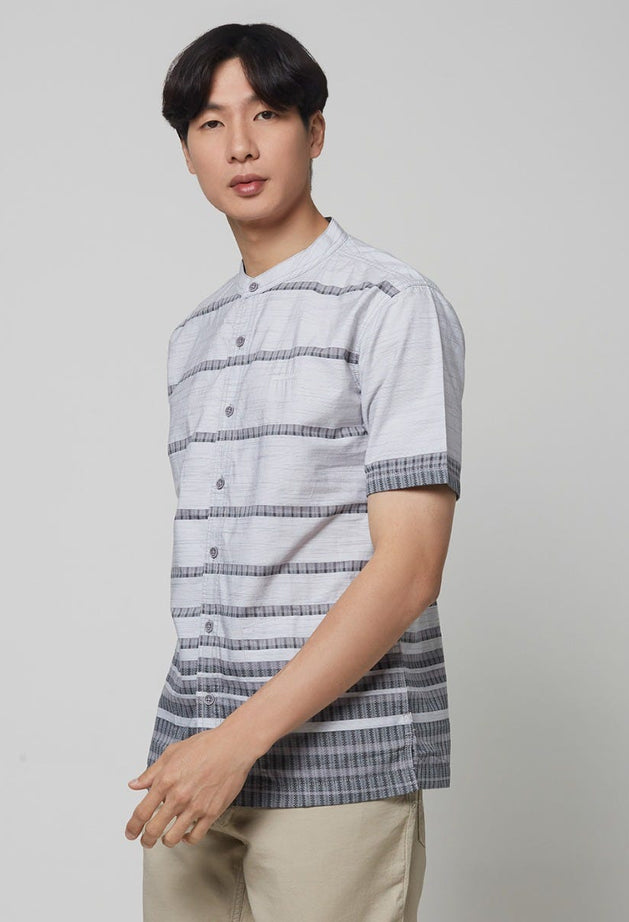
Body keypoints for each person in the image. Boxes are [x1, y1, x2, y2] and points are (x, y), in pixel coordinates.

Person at [124, 21, 465, 922]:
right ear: (188, 153)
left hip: (338, 764)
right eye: (210, 123)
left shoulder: (391, 305)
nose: (239, 145)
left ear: (314, 132)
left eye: (266, 113)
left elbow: (410, 569)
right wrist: (207, 746)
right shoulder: (193, 338)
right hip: (191, 759)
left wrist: (239, 743)